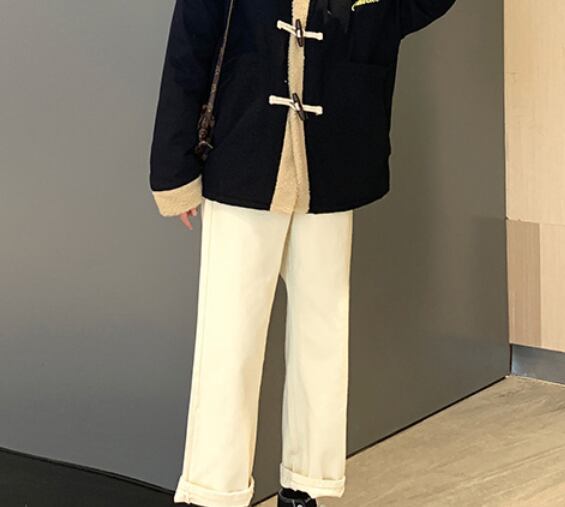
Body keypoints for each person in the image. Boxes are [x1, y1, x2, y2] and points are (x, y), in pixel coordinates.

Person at [149, 1, 457, 506]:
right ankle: (213, 491)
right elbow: (190, 41)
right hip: (243, 152)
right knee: (229, 337)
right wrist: (174, 170)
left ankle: (307, 485)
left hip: (331, 158)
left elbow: (411, 9)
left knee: (323, 333)